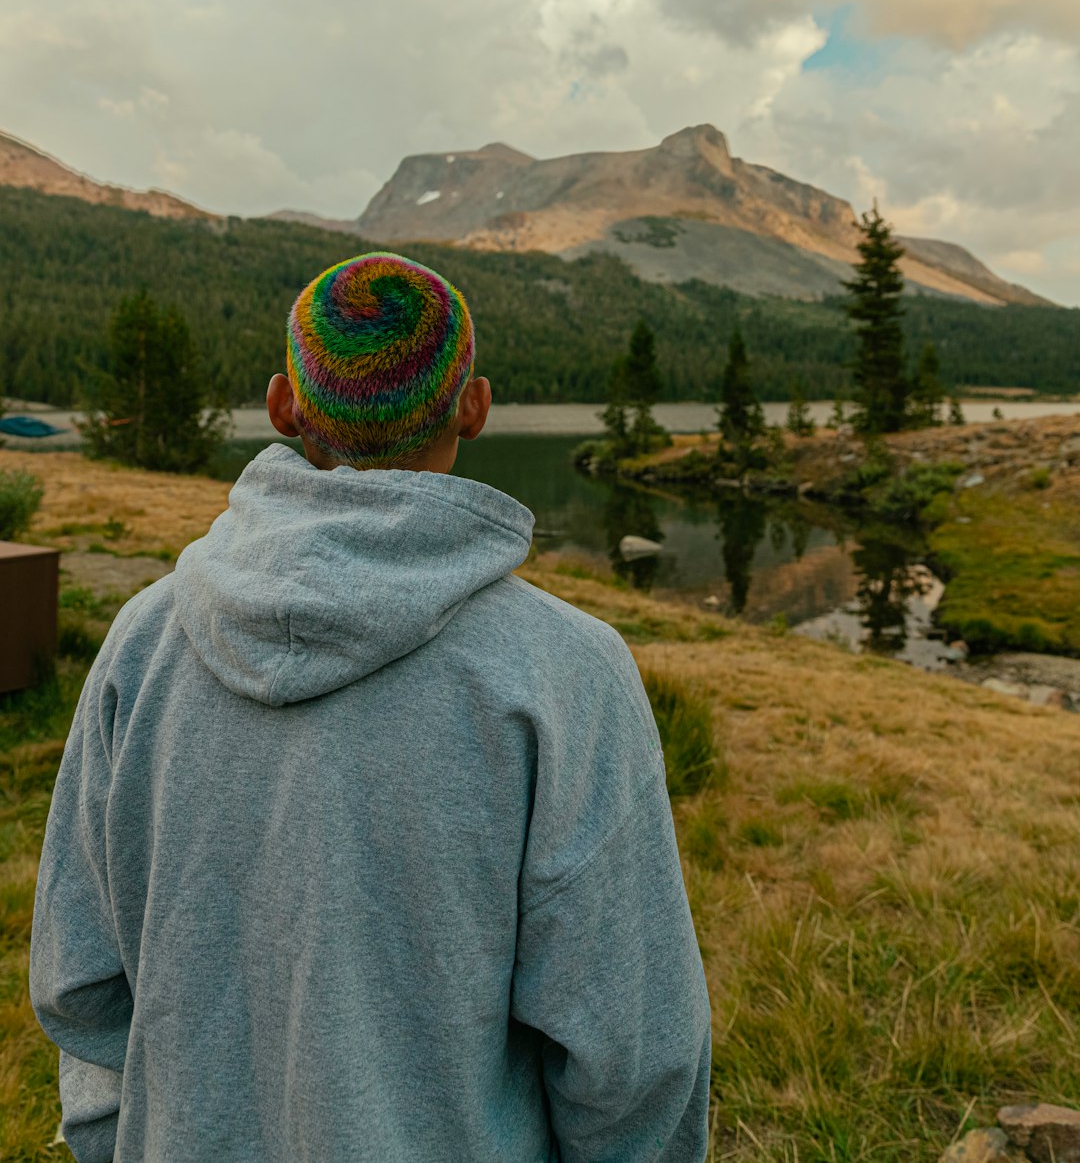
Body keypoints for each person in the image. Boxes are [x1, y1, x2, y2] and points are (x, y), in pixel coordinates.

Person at [31, 251, 712, 1162]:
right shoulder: (567, 671)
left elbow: (77, 983)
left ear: (283, 407)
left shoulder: (142, 642)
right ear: (474, 406)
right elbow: (633, 1053)